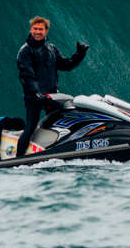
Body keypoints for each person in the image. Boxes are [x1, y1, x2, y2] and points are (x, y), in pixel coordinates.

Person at [15, 16, 89, 157]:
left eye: (40, 29)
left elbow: (66, 65)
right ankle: (18, 159)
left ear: (46, 31)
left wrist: (79, 54)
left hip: (51, 96)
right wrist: (36, 93)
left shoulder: (51, 49)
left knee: (62, 125)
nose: (37, 32)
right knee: (30, 127)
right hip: (34, 97)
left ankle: (61, 153)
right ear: (31, 30)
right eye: (35, 29)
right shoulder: (25, 51)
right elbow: (27, 75)